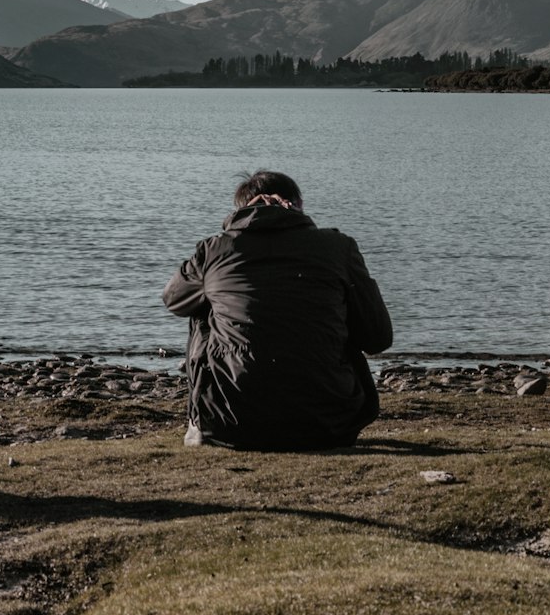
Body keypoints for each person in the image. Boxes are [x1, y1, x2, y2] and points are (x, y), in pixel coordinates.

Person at [162, 170, 392, 450]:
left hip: (230, 423)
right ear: (297, 204)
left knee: (203, 308)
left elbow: (173, 299)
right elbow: (378, 337)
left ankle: (201, 423)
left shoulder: (214, 249)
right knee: (339, 309)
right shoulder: (338, 247)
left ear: (241, 208)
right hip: (330, 424)